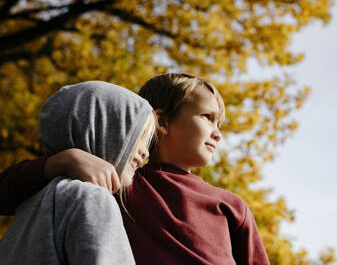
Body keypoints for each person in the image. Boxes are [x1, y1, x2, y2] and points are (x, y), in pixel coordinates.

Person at [0, 73, 270, 264]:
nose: (217, 133)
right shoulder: (119, 182)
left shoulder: (232, 206)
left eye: (219, 124)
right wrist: (62, 161)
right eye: (207, 118)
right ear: (161, 121)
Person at [0, 81, 157, 265]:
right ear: (104, 128)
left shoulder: (32, 200)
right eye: (138, 137)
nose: (145, 152)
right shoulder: (92, 199)